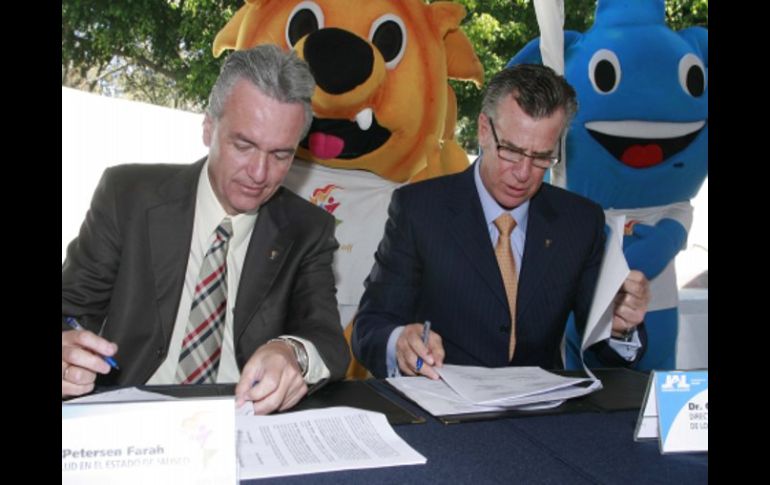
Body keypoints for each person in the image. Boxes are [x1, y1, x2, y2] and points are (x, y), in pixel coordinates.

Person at [61, 45, 350, 413]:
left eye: (281, 155)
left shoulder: (308, 229)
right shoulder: (127, 196)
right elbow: (70, 308)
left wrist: (291, 353)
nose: (259, 174)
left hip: (245, 422)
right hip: (132, 416)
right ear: (208, 127)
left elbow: (327, 339)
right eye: (244, 145)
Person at [352, 64, 650, 379]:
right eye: (511, 150)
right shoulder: (418, 209)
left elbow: (604, 347)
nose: (523, 173)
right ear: (483, 129)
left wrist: (620, 324)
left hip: (539, 415)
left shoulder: (579, 221)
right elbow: (370, 327)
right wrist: (399, 342)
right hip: (441, 410)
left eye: (541, 157)